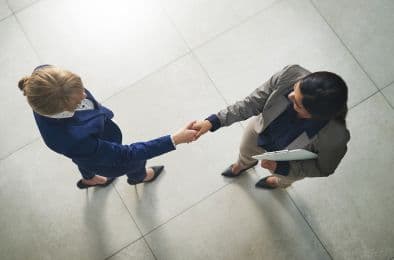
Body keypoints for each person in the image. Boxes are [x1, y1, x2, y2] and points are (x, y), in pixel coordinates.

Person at [18, 65, 197, 189]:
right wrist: (174, 139)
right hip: (101, 156)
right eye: (78, 100)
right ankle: (139, 178)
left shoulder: (44, 77)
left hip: (90, 149)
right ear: (61, 111)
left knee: (83, 160)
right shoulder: (70, 139)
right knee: (134, 161)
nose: (84, 94)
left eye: (81, 88)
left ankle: (89, 179)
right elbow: (126, 154)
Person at [192, 64, 350, 189]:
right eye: (296, 89)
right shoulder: (291, 74)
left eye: (297, 103)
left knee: (284, 179)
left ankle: (278, 182)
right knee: (245, 150)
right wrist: (214, 121)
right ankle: (243, 164)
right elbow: (251, 103)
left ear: (313, 115)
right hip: (260, 132)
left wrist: (282, 168)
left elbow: (323, 168)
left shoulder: (336, 136)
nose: (290, 96)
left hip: (290, 163)